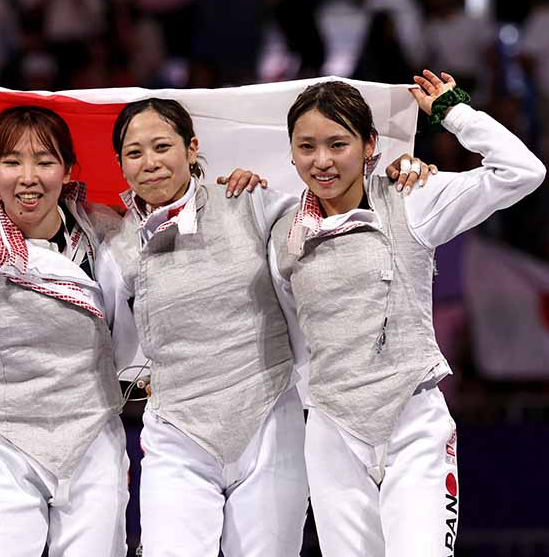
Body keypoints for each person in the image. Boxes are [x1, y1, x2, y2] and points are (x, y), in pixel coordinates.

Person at [96, 97, 432, 557]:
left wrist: (396, 177)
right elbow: (116, 349)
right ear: (120, 164)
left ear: (192, 148)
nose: (150, 163)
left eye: (162, 146)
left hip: (269, 423)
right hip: (178, 433)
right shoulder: (116, 249)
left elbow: (328, 225)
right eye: (135, 153)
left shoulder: (250, 202)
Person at [0, 104, 265, 556]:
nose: (28, 177)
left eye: (44, 162)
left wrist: (236, 188)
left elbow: (187, 244)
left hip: (92, 443)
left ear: (67, 170)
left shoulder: (110, 232)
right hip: (3, 443)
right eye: (12, 162)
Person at [271, 72, 545, 556]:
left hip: (412, 423)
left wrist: (455, 113)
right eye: (307, 146)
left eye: (338, 143)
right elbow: (292, 335)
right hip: (332, 433)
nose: (322, 161)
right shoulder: (282, 229)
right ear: (290, 151)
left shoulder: (412, 199)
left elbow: (523, 172)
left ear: (369, 143)